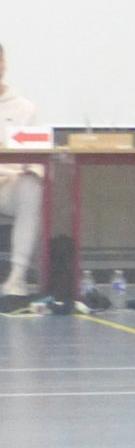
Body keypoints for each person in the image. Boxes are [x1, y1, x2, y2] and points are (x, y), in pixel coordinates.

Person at [0, 43, 44, 312]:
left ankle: (17, 278)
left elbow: (39, 155)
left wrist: (32, 171)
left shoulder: (25, 108)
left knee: (32, 186)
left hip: (9, 185)